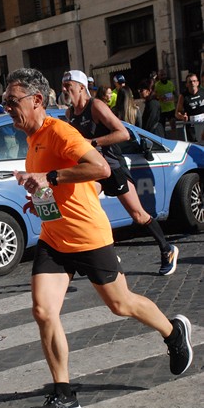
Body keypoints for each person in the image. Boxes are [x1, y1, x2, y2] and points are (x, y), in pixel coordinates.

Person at [3, 67, 192, 408]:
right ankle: (64, 395)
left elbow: (101, 169)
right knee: (44, 312)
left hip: (88, 236)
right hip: (54, 238)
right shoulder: (32, 140)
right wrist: (40, 197)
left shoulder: (60, 132)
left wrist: (49, 177)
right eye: (5, 102)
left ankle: (172, 330)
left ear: (37, 101)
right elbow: (56, 186)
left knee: (121, 305)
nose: (7, 108)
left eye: (13, 102)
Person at [63, 70, 178, 276]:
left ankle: (167, 249)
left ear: (81, 87)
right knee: (83, 206)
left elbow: (123, 133)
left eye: (68, 86)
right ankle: (105, 253)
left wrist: (93, 143)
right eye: (63, 86)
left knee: (138, 215)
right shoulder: (70, 114)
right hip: (93, 171)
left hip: (113, 167)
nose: (64, 90)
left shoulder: (96, 106)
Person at [175, 73, 204, 143]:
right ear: (187, 84)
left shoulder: (202, 92)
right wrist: (182, 117)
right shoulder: (183, 96)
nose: (192, 83)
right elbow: (177, 113)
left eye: (194, 81)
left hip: (203, 123)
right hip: (191, 125)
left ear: (197, 83)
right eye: (190, 82)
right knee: (195, 145)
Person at [154, 69, 177, 136]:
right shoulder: (157, 85)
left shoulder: (170, 83)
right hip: (162, 109)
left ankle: (174, 138)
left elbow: (174, 92)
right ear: (159, 76)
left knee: (173, 124)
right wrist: (159, 98)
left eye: (164, 75)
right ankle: (164, 139)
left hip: (171, 108)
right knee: (162, 127)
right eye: (161, 75)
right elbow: (155, 96)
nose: (163, 76)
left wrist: (176, 99)